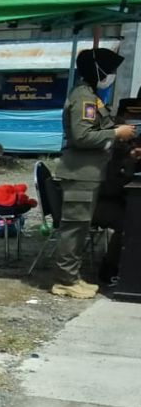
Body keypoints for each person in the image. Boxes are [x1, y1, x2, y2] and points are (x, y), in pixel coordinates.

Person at [52, 48, 136, 298]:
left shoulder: (91, 96)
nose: (110, 75)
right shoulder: (84, 98)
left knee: (80, 227)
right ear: (96, 70)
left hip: (87, 174)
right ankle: (64, 281)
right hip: (80, 174)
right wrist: (115, 133)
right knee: (73, 228)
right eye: (108, 70)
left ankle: (72, 276)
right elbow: (82, 136)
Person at [93, 139, 141, 285]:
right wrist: (131, 162)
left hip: (120, 201)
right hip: (100, 203)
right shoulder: (114, 156)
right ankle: (109, 269)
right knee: (130, 223)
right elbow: (110, 188)